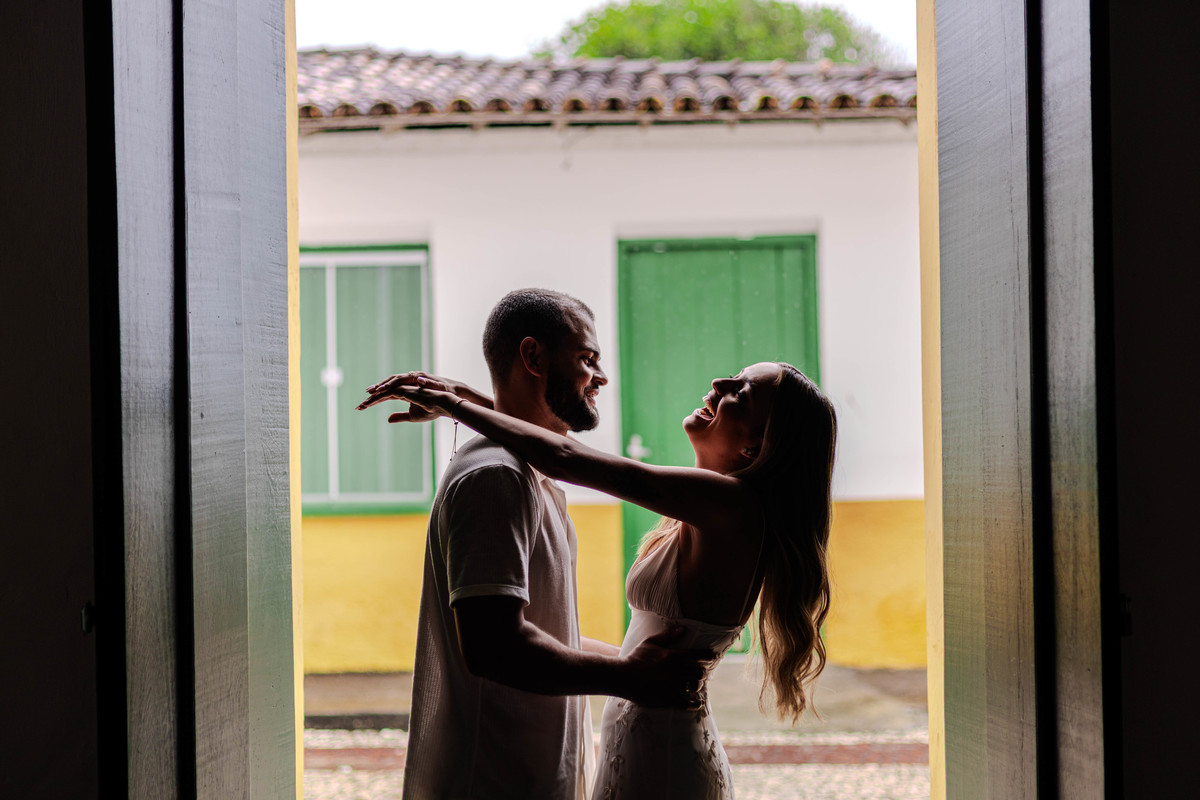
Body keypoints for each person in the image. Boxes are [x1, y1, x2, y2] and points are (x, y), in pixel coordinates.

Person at [364, 357, 837, 800]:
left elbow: (565, 457)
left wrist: (455, 403)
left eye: (742, 393)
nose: (720, 383)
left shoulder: (733, 506)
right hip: (646, 738)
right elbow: (556, 449)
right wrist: (464, 398)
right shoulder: (709, 509)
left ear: (758, 445)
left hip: (666, 756)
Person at [358, 289, 712, 800]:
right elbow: (495, 645)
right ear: (534, 357)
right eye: (587, 359)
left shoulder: (528, 473)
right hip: (493, 782)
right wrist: (629, 676)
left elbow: (547, 631)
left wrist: (636, 661)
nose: (601, 377)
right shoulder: (496, 477)